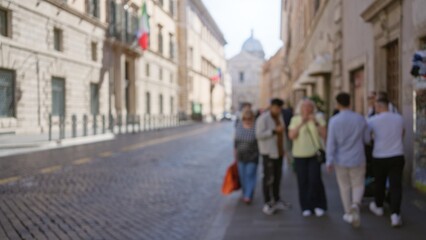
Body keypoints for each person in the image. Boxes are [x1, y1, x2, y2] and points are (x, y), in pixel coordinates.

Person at [326, 93, 370, 228]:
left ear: (338, 104)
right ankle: (356, 204)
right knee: (358, 183)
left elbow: (331, 142)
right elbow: (367, 139)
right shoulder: (360, 118)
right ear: (350, 102)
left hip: (341, 159)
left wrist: (329, 160)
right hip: (358, 157)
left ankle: (348, 212)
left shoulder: (334, 120)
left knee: (344, 186)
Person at [368, 97, 405, 228]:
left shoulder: (372, 120)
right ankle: (395, 214)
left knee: (380, 182)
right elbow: (403, 134)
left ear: (378, 107)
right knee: (396, 185)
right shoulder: (399, 118)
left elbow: (367, 138)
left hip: (379, 155)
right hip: (397, 155)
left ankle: (378, 206)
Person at [289, 99, 327, 217]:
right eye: (304, 107)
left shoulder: (318, 118)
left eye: (309, 107)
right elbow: (291, 136)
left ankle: (318, 205)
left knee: (315, 179)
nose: (306, 109)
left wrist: (315, 122)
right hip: (299, 155)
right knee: (302, 181)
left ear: (312, 108)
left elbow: (324, 134)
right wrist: (302, 123)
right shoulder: (295, 119)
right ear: (300, 109)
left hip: (314, 154)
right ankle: (306, 206)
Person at [256, 98, 291, 215]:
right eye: (276, 108)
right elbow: (259, 135)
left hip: (279, 152)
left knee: (277, 177)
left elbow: (283, 134)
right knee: (268, 178)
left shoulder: (279, 117)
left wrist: (285, 149)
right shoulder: (263, 118)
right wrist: (273, 131)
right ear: (271, 107)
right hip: (268, 153)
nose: (278, 110)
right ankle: (267, 202)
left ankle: (276, 199)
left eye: (280, 108)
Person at [234, 109, 259, 204]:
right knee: (242, 177)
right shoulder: (239, 126)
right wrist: (235, 153)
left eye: (249, 118)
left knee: (250, 174)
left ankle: (248, 195)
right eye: (245, 118)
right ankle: (246, 193)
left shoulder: (256, 127)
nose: (247, 120)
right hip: (241, 156)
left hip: (252, 156)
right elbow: (235, 141)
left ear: (252, 118)